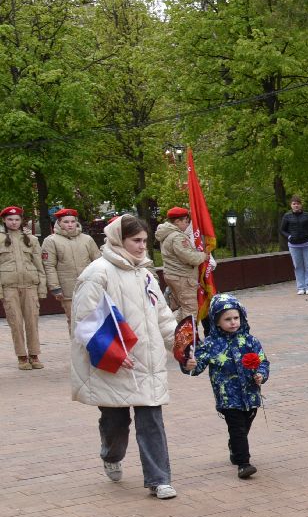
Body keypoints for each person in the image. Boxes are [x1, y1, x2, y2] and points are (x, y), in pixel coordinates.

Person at [70, 214, 179, 497]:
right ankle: (111, 455)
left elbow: (163, 315)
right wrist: (113, 353)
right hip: (115, 365)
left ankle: (159, 479)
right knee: (115, 423)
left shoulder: (145, 273)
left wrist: (180, 345)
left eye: (144, 241)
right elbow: (84, 320)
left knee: (151, 419)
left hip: (149, 361)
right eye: (136, 241)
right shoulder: (98, 272)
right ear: (119, 239)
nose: (142, 246)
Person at [181, 292, 269, 479]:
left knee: (246, 423)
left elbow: (263, 361)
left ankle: (234, 446)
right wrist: (189, 365)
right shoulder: (212, 344)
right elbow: (198, 365)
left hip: (250, 393)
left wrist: (261, 374)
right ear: (216, 321)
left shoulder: (250, 340)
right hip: (227, 395)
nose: (233, 322)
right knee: (237, 427)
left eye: (236, 317)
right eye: (227, 319)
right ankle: (243, 463)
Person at [0, 205, 46, 370]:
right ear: (4, 221)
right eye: (10, 219)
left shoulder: (31, 239)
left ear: (21, 221)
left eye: (17, 219)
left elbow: (39, 265)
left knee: (32, 322)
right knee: (16, 323)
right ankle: (22, 356)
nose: (13, 222)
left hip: (30, 286)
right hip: (9, 287)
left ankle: (34, 354)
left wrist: (42, 288)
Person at [43, 208, 100, 326]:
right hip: (67, 288)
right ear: (59, 222)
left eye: (72, 221)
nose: (70, 225)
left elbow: (98, 261)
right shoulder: (51, 241)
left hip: (89, 286)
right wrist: (55, 287)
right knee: (74, 321)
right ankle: (76, 344)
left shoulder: (87, 239)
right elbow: (49, 266)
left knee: (94, 320)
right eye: (66, 222)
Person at [155, 207, 207, 323]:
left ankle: (171, 330)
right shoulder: (177, 236)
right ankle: (185, 338)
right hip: (182, 277)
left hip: (174, 275)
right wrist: (203, 256)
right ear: (177, 221)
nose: (187, 224)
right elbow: (189, 257)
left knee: (182, 308)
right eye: (185, 221)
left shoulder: (167, 234)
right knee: (190, 311)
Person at [279, 196, 308, 296]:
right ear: (291, 205)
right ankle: (301, 287)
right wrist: (289, 236)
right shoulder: (287, 216)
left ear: (301, 205)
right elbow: (282, 230)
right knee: (298, 266)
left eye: (298, 203)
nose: (296, 205)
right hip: (294, 246)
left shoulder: (307, 216)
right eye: (294, 204)